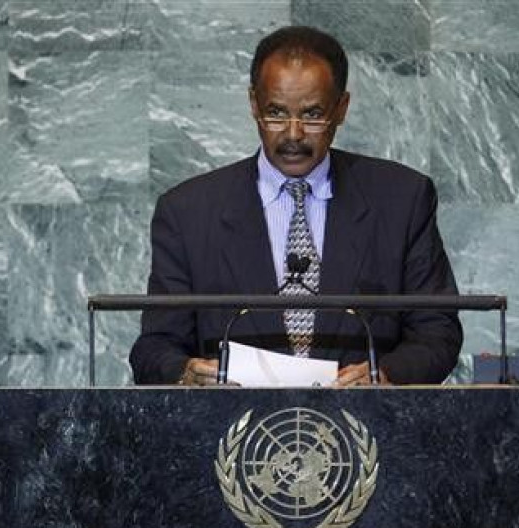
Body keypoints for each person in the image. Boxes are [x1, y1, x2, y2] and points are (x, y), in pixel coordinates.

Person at [130, 26, 462, 386]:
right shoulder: (188, 212)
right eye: (275, 113)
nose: (292, 134)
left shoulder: (401, 199)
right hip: (232, 430)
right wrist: (184, 372)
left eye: (312, 115)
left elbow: (437, 332)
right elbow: (154, 348)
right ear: (253, 104)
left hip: (367, 428)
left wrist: (385, 376)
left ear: (341, 108)